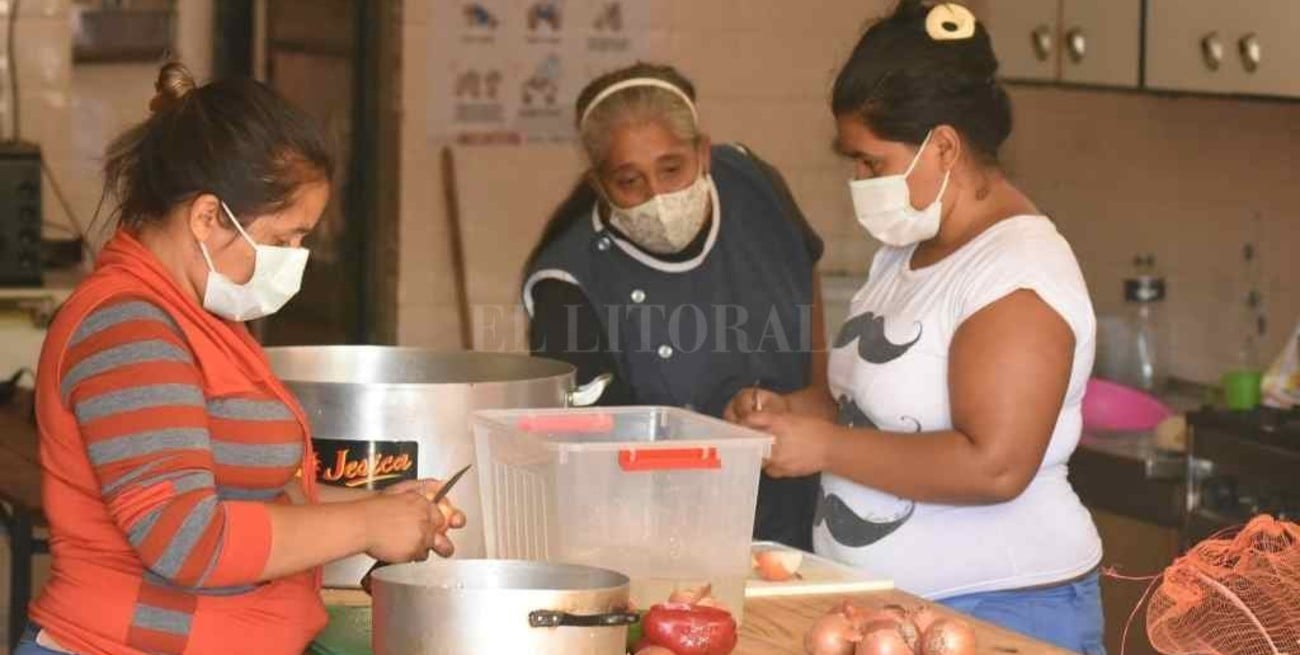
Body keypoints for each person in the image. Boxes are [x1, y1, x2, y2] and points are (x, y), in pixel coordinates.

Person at [21, 63, 465, 655]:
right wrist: (366, 526)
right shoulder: (126, 329)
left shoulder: (202, 315)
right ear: (208, 217)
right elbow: (187, 537)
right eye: (284, 239)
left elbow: (250, 491)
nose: (294, 258)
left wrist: (384, 505)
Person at [726, 2, 1105, 652]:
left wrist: (819, 445)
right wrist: (787, 414)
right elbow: (859, 408)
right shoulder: (907, 250)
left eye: (871, 162)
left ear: (945, 146)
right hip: (895, 612)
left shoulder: (1017, 273)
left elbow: (995, 466)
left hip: (1004, 609)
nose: (859, 179)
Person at [523, 62, 827, 550]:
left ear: (702, 152)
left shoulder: (751, 185)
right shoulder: (567, 283)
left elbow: (802, 268)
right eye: (629, 180)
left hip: (801, 512)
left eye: (672, 169)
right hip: (664, 535)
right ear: (599, 184)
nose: (658, 195)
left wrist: (813, 396)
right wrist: (713, 434)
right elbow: (592, 452)